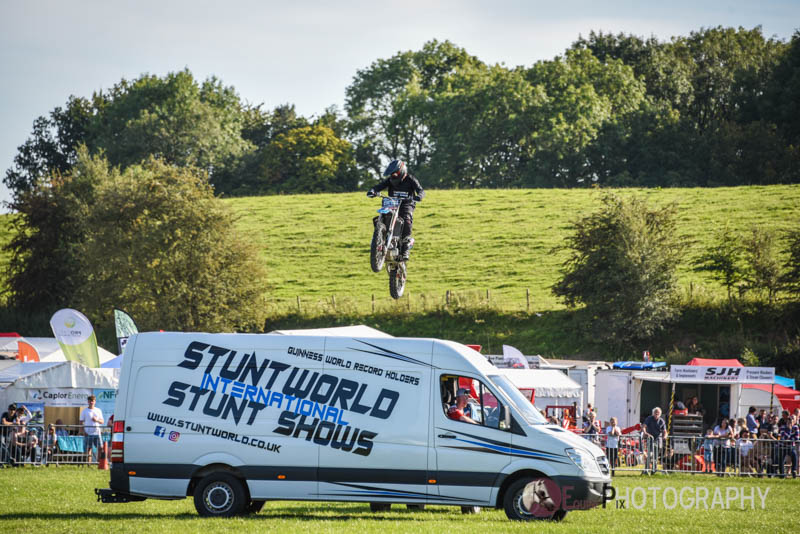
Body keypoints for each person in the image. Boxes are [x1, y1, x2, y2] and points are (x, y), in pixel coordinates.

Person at [367, 159, 425, 261]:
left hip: (406, 203)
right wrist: (373, 191)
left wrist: (419, 196)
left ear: (401, 170)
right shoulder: (389, 180)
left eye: (395, 173)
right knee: (379, 218)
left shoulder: (410, 179)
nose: (393, 176)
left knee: (406, 219)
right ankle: (379, 240)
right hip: (392, 203)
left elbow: (420, 190)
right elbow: (379, 186)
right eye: (392, 174)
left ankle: (405, 247)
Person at [642, 407, 667, 474]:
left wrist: (664, 436)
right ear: (653, 413)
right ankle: (646, 469)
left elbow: (665, 431)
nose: (656, 414)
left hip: (658, 440)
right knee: (650, 455)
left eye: (658, 413)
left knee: (655, 456)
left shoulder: (662, 421)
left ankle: (654, 470)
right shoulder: (649, 418)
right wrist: (645, 432)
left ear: (660, 414)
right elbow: (644, 426)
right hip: (650, 439)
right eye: (655, 413)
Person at [80, 395, 104, 463]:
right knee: (88, 449)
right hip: (88, 433)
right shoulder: (84, 411)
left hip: (97, 433)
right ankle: (89, 463)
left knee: (100, 448)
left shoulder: (98, 410)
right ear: (88, 402)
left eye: (93, 401)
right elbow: (81, 422)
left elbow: (102, 421)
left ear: (95, 402)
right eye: (90, 401)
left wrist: (97, 420)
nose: (91, 402)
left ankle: (99, 463)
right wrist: (83, 432)